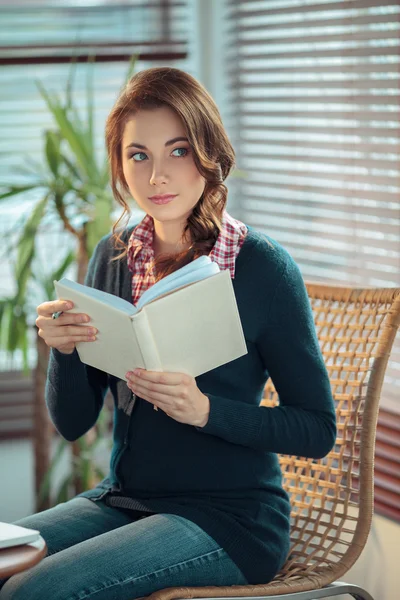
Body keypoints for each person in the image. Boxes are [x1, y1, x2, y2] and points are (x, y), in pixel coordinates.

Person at [0, 67, 336, 600]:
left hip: (231, 519)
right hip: (124, 501)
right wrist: (65, 352)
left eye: (178, 151)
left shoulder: (262, 268)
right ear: (120, 166)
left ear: (208, 153)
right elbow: (73, 424)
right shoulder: (112, 261)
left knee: (33, 591)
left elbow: (317, 430)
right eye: (139, 155)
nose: (157, 175)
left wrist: (206, 411)